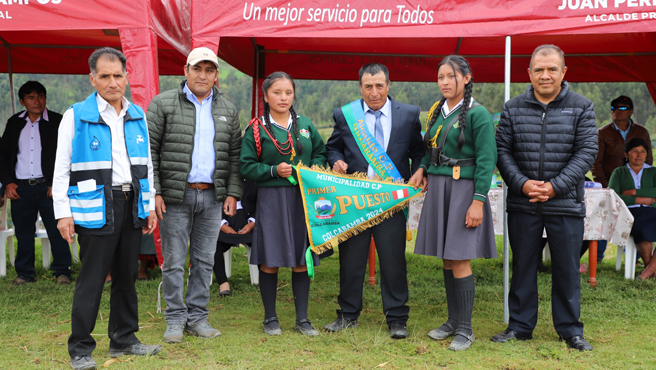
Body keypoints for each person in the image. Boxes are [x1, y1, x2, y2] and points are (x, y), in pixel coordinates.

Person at [52, 47, 161, 370]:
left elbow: (147, 165)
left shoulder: (137, 114)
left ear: (127, 77)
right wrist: (62, 212)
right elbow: (61, 168)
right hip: (94, 206)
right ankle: (81, 348)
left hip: (131, 204)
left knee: (127, 275)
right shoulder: (76, 115)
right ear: (92, 78)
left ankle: (124, 338)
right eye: (105, 76)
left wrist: (150, 202)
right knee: (93, 277)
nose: (112, 82)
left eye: (118, 75)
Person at [493, 44, 597, 351]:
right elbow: (502, 152)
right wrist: (522, 184)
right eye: (539, 69)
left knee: (566, 269)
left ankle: (570, 330)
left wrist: (555, 186)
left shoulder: (582, 106)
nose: (545, 75)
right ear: (529, 73)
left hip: (564, 202)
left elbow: (587, 151)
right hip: (523, 201)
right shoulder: (512, 108)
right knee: (523, 266)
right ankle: (520, 326)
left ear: (564, 72)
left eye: (552, 69)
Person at [148, 47, 243, 343]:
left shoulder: (227, 108)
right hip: (176, 196)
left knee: (203, 260)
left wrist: (232, 193)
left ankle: (198, 317)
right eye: (197, 69)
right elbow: (149, 151)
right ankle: (175, 319)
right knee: (174, 260)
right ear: (185, 70)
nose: (203, 75)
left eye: (209, 70)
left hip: (213, 196)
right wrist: (156, 192)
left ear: (216, 75)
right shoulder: (162, 103)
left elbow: (235, 156)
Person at [324, 63, 424, 338]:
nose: (374, 92)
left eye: (379, 85)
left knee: (393, 260)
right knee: (351, 260)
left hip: (389, 201)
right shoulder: (346, 116)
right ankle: (347, 314)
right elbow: (332, 147)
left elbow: (419, 150)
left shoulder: (409, 114)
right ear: (360, 87)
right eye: (368, 86)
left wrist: (420, 169)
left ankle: (397, 319)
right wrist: (337, 160)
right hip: (355, 201)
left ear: (388, 85)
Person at [409, 55, 497, 351]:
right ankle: (452, 320)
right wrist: (422, 168)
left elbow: (487, 161)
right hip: (439, 189)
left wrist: (478, 202)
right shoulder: (437, 111)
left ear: (467, 78)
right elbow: (430, 147)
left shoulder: (478, 113)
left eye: (451, 76)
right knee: (447, 258)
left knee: (460, 258)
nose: (445, 82)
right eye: (441, 77)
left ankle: (466, 329)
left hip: (464, 191)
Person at [240, 71, 327, 336]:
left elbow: (321, 152)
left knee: (302, 258)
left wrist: (312, 169)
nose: (283, 97)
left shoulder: (306, 125)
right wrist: (271, 171)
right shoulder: (256, 129)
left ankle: (302, 320)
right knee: (271, 258)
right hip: (271, 200)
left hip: (302, 199)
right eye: (277, 92)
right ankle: (270, 318)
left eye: (288, 92)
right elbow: (245, 165)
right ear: (265, 96)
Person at [0, 81, 73, 286]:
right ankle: (25, 273)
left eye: (40, 96)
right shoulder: (14, 123)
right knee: (23, 232)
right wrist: (8, 183)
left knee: (57, 229)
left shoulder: (58, 121)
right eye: (31, 97)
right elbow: (4, 155)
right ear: (22, 101)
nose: (37, 101)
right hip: (20, 188)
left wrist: (56, 184)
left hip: (49, 187)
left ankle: (62, 271)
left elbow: (68, 155)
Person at [590, 95, 653, 262]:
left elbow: (648, 160)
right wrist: (607, 187)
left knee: (641, 215)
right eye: (613, 107)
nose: (617, 110)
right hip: (609, 184)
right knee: (603, 216)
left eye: (623, 107)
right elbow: (596, 163)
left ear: (631, 111)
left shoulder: (641, 132)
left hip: (633, 184)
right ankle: (597, 256)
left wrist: (637, 188)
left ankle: (634, 257)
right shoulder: (602, 133)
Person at [608, 138, 656, 280]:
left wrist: (633, 192)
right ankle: (651, 269)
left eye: (643, 152)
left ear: (647, 155)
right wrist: (639, 200)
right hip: (629, 213)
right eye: (635, 151)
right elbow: (613, 196)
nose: (639, 155)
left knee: (646, 226)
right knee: (642, 229)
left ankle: (648, 271)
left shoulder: (653, 171)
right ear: (626, 154)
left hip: (653, 211)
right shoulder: (619, 172)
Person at [213, 179, 258, 296]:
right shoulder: (221, 180)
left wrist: (252, 223)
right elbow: (213, 205)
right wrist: (222, 225)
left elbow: (260, 204)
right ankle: (223, 283)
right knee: (213, 245)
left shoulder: (253, 180)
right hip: (224, 225)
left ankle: (262, 278)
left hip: (249, 226)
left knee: (261, 243)